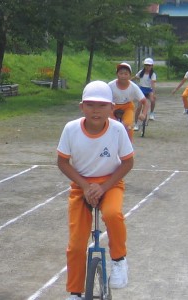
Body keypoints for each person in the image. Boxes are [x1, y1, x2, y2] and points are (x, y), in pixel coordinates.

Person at [57, 80, 134, 300]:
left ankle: (119, 260)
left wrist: (103, 187)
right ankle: (74, 292)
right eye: (90, 105)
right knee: (76, 244)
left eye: (102, 105)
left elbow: (128, 163)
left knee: (112, 214)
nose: (96, 110)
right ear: (82, 107)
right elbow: (62, 162)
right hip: (81, 185)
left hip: (110, 183)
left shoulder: (117, 129)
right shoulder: (71, 129)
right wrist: (85, 186)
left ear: (112, 108)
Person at [108, 62, 149, 141]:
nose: (123, 76)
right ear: (117, 74)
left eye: (126, 74)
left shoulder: (133, 87)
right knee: (112, 125)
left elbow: (145, 102)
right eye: (121, 73)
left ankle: (128, 146)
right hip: (113, 106)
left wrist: (143, 114)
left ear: (130, 75)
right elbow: (104, 99)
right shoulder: (110, 85)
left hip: (128, 107)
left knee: (128, 125)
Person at [132, 57, 157, 129]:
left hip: (149, 90)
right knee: (139, 107)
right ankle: (136, 123)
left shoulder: (152, 74)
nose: (147, 67)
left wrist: (154, 93)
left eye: (149, 65)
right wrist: (129, 81)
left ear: (152, 66)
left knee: (152, 100)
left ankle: (152, 113)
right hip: (141, 90)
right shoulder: (141, 72)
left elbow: (153, 84)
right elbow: (135, 77)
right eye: (146, 65)